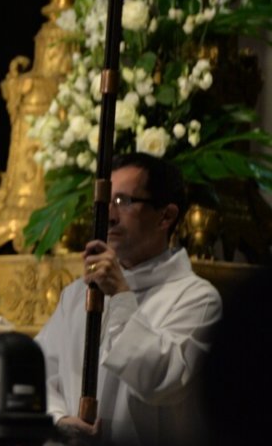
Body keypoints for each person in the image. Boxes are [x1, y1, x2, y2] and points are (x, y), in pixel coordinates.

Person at [34, 153, 222, 446]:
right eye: (106, 202)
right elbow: (37, 372)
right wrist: (58, 419)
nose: (108, 215)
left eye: (124, 202)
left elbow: (161, 381)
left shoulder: (198, 299)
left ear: (166, 216)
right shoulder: (76, 295)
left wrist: (121, 296)